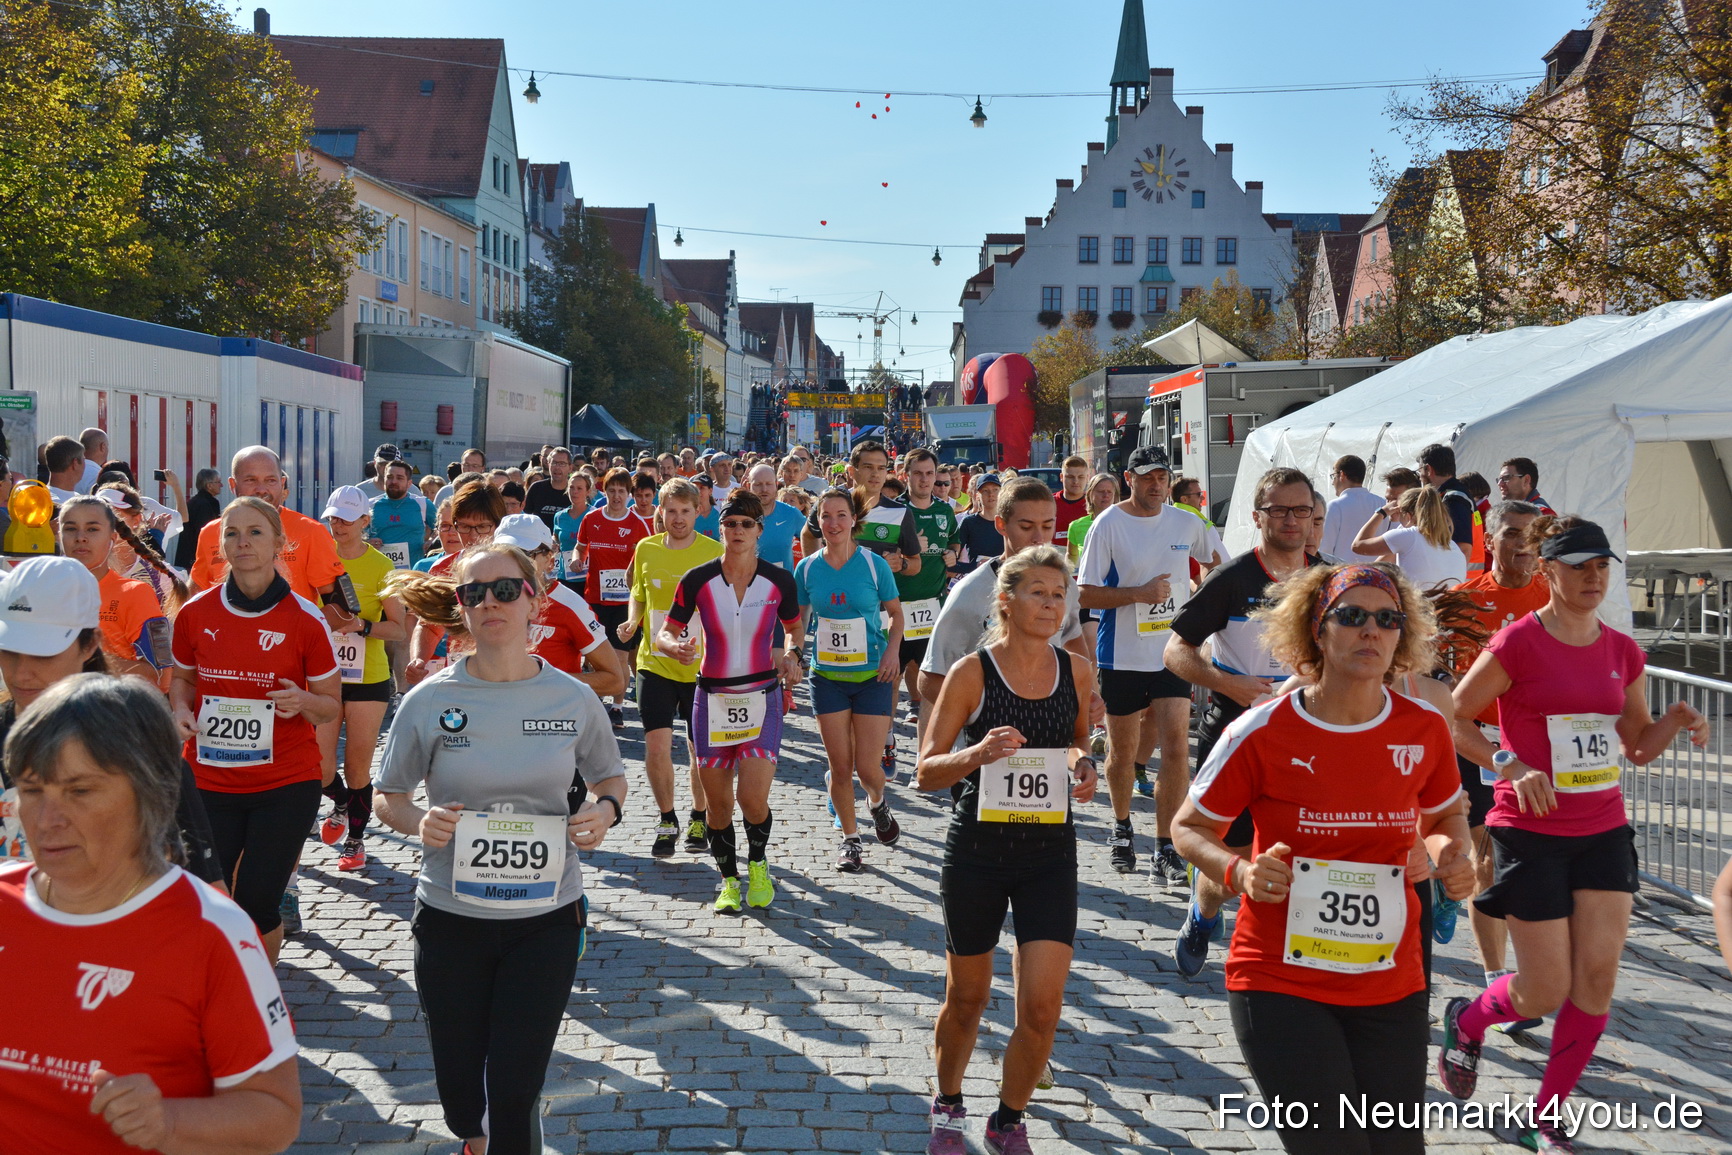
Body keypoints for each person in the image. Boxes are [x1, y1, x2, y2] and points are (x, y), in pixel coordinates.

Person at [1173, 564, 1473, 1155]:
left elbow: (1443, 820)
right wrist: (1240, 873)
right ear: (1318, 628)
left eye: (1387, 620)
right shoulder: (1261, 730)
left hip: (1392, 981)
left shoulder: (1425, 728)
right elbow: (1189, 828)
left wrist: (1448, 856)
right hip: (1281, 980)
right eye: (1352, 616)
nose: (1371, 631)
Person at [1441, 517, 1708, 1154]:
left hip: (1602, 830)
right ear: (1548, 572)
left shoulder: (1622, 650)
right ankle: (1469, 1019)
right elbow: (1455, 716)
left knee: (1596, 981)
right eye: (1580, 565)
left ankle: (1548, 1113)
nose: (1594, 577)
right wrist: (1512, 763)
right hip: (1528, 831)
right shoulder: (1516, 644)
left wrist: (1672, 720)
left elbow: (1636, 749)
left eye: (1602, 566)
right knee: (1544, 988)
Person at [375, 542, 627, 1155]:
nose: (491, 601)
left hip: (546, 920)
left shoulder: (572, 697)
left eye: (506, 589)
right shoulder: (430, 700)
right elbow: (389, 794)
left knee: (515, 1089)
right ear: (460, 609)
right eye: (474, 592)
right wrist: (418, 822)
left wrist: (605, 810)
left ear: (534, 599)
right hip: (450, 920)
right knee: (463, 1098)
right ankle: (474, 1134)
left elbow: (611, 778)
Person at [0, 674, 301, 1155]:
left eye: (79, 790)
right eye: (32, 790)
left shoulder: (212, 932)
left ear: (150, 792)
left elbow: (276, 1116)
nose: (45, 820)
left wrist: (169, 1121)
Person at [916, 547, 1099, 1155]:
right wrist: (976, 754)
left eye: (1059, 594)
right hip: (977, 851)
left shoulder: (1075, 670)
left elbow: (1076, 741)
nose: (1052, 605)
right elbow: (926, 772)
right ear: (1007, 600)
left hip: (1049, 852)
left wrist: (1084, 765)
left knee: (1043, 1006)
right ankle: (947, 1104)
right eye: (1039, 593)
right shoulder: (973, 672)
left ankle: (1008, 1118)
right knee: (966, 998)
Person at [1163, 468, 1326, 975]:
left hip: (1311, 732)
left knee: (1307, 846)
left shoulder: (1333, 581)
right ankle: (1203, 914)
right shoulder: (1231, 578)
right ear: (1258, 517)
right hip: (1236, 727)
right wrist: (1226, 683)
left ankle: (1293, 950)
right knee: (1229, 849)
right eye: (1278, 509)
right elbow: (1175, 650)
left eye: (1301, 510)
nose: (1291, 520)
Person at [169, 497, 343, 962]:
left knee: (257, 902)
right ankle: (214, 995)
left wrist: (304, 701)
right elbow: (182, 680)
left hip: (284, 782)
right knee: (209, 901)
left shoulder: (306, 619)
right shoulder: (195, 613)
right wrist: (181, 711)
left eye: (255, 532)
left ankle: (257, 1001)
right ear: (221, 546)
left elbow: (329, 708)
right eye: (232, 534)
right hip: (207, 780)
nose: (242, 542)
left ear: (280, 545)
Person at [0, 557, 224, 887]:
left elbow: (209, 895)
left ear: (90, 644)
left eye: (42, 653)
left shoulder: (142, 749)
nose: (21, 671)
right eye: (8, 650)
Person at [659, 492, 805, 911]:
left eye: (746, 524)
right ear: (720, 528)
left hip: (762, 696)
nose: (737, 531)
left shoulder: (779, 581)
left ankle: (757, 864)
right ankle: (728, 881)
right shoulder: (697, 579)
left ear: (759, 530)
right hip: (712, 699)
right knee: (719, 807)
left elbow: (795, 628)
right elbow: (666, 632)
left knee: (752, 800)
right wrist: (675, 648)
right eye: (730, 524)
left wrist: (794, 655)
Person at [1077, 445, 1213, 881]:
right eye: (1147, 477)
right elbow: (1086, 593)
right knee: (1122, 751)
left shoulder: (1186, 521)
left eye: (1163, 477)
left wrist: (1200, 606)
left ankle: (1165, 845)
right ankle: (1121, 828)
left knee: (1175, 747)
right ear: (1129, 479)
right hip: (1123, 654)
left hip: (1173, 654)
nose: (1156, 485)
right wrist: (1138, 594)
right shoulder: (1108, 524)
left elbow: (1218, 564)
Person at [1448, 500, 1548, 1013]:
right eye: (1511, 534)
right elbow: (1440, 681)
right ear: (1489, 540)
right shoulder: (1465, 600)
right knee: (1485, 857)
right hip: (1475, 740)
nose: (1522, 545)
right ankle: (1495, 976)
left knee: (1520, 861)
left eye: (1531, 536)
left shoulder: (1552, 598)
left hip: (1531, 746)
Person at [797, 487, 905, 873]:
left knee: (869, 769)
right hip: (827, 677)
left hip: (873, 676)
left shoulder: (874, 565)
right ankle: (851, 839)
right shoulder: (807, 568)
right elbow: (798, 619)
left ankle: (878, 803)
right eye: (826, 516)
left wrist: (893, 651)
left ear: (854, 520)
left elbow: (896, 614)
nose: (834, 523)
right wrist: (793, 652)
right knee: (840, 768)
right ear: (818, 521)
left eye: (841, 515)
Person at [620, 478, 723, 856]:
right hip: (654, 661)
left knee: (699, 751)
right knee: (657, 745)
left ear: (698, 512)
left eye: (686, 511)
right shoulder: (645, 547)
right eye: (671, 511)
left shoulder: (714, 552)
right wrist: (633, 622)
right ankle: (667, 818)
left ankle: (699, 815)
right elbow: (638, 593)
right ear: (660, 512)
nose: (678, 519)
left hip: (701, 666)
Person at [316, 486, 408, 873]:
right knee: (319, 766)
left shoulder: (382, 567)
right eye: (333, 517)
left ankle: (355, 840)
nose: (338, 525)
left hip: (367, 677)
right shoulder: (317, 559)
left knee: (356, 766)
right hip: (323, 675)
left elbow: (399, 629)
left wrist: (361, 625)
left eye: (346, 518)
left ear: (365, 522)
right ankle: (339, 803)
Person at [490, 514, 626, 699]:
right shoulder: (482, 599)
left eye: (524, 555)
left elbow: (614, 680)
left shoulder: (569, 605)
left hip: (550, 721)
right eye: (504, 554)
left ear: (549, 559)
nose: (513, 564)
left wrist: (544, 682)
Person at [890, 448, 960, 769]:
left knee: (929, 684)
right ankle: (886, 741)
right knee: (889, 680)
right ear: (906, 475)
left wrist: (952, 555)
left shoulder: (945, 511)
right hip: (895, 611)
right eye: (917, 473)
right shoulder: (893, 511)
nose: (924, 479)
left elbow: (953, 542)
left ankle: (923, 756)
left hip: (933, 609)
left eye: (929, 474)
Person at [56, 496, 171, 684]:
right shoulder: (44, 592)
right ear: (59, 535)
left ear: (113, 538)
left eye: (92, 529)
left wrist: (89, 659)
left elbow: (163, 676)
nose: (80, 538)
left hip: (114, 710)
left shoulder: (136, 593)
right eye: (70, 529)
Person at [577, 468, 651, 726]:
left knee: (620, 656)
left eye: (621, 491)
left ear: (629, 495)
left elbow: (646, 562)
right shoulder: (591, 518)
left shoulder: (637, 525)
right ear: (604, 491)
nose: (616, 496)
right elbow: (580, 547)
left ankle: (617, 707)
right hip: (595, 599)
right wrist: (578, 560)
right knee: (593, 655)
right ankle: (596, 702)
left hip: (623, 601)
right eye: (612, 491)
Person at [1353, 485, 1467, 589]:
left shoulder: (1409, 536)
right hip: (1448, 608)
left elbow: (1358, 545)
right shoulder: (1453, 546)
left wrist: (1381, 512)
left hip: (1419, 609)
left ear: (1408, 516)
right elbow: (1379, 564)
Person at [1417, 444, 1477, 566]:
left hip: (1460, 578)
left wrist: (1452, 578)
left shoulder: (1453, 498)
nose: (1420, 477)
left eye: (1420, 470)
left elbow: (1463, 547)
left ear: (1429, 469)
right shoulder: (1455, 493)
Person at [1322, 454, 1386, 561]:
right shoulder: (1383, 504)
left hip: (1344, 573)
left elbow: (1325, 549)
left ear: (1342, 475)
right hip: (1377, 573)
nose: (1333, 482)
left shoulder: (1335, 506)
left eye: (1333, 476)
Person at [368, 459, 431, 569]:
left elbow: (442, 526)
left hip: (413, 574)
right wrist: (366, 543)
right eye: (390, 477)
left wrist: (431, 541)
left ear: (409, 483)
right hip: (381, 572)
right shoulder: (371, 505)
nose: (394, 481)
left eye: (400, 478)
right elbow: (356, 535)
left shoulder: (423, 504)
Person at [951, 473, 1004, 576]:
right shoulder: (969, 523)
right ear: (977, 496)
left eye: (995, 490)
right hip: (978, 581)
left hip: (1004, 583)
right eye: (985, 491)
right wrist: (975, 566)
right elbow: (951, 561)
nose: (991, 494)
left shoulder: (1009, 522)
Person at [176, 467, 224, 570]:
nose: (221, 485)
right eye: (218, 482)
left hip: (188, 557)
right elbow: (207, 534)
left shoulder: (196, 501)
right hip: (197, 560)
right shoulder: (205, 505)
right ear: (209, 485)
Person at [554, 469, 594, 588]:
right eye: (571, 487)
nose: (574, 492)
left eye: (579, 488)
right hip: (564, 576)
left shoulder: (594, 515)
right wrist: (553, 543)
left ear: (588, 491)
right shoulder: (559, 516)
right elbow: (556, 538)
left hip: (588, 578)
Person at [523, 446, 573, 528]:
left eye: (562, 464)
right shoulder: (537, 488)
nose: (557, 467)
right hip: (538, 539)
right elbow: (526, 516)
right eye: (554, 463)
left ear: (570, 468)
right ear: (548, 464)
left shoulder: (575, 491)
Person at [1053, 455, 1091, 548]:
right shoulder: (1048, 503)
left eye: (1081, 477)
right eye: (1070, 477)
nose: (1076, 481)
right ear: (1061, 477)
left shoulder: (1094, 504)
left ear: (1087, 478)